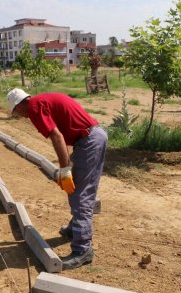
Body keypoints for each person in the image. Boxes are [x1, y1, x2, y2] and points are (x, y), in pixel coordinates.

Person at [6, 88, 107, 270]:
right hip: (91, 137)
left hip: (88, 140)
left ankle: (83, 249)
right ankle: (75, 228)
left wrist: (65, 169)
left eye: (16, 112)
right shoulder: (41, 101)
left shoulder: (34, 107)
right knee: (79, 189)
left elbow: (57, 137)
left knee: (80, 194)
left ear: (20, 105)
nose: (20, 116)